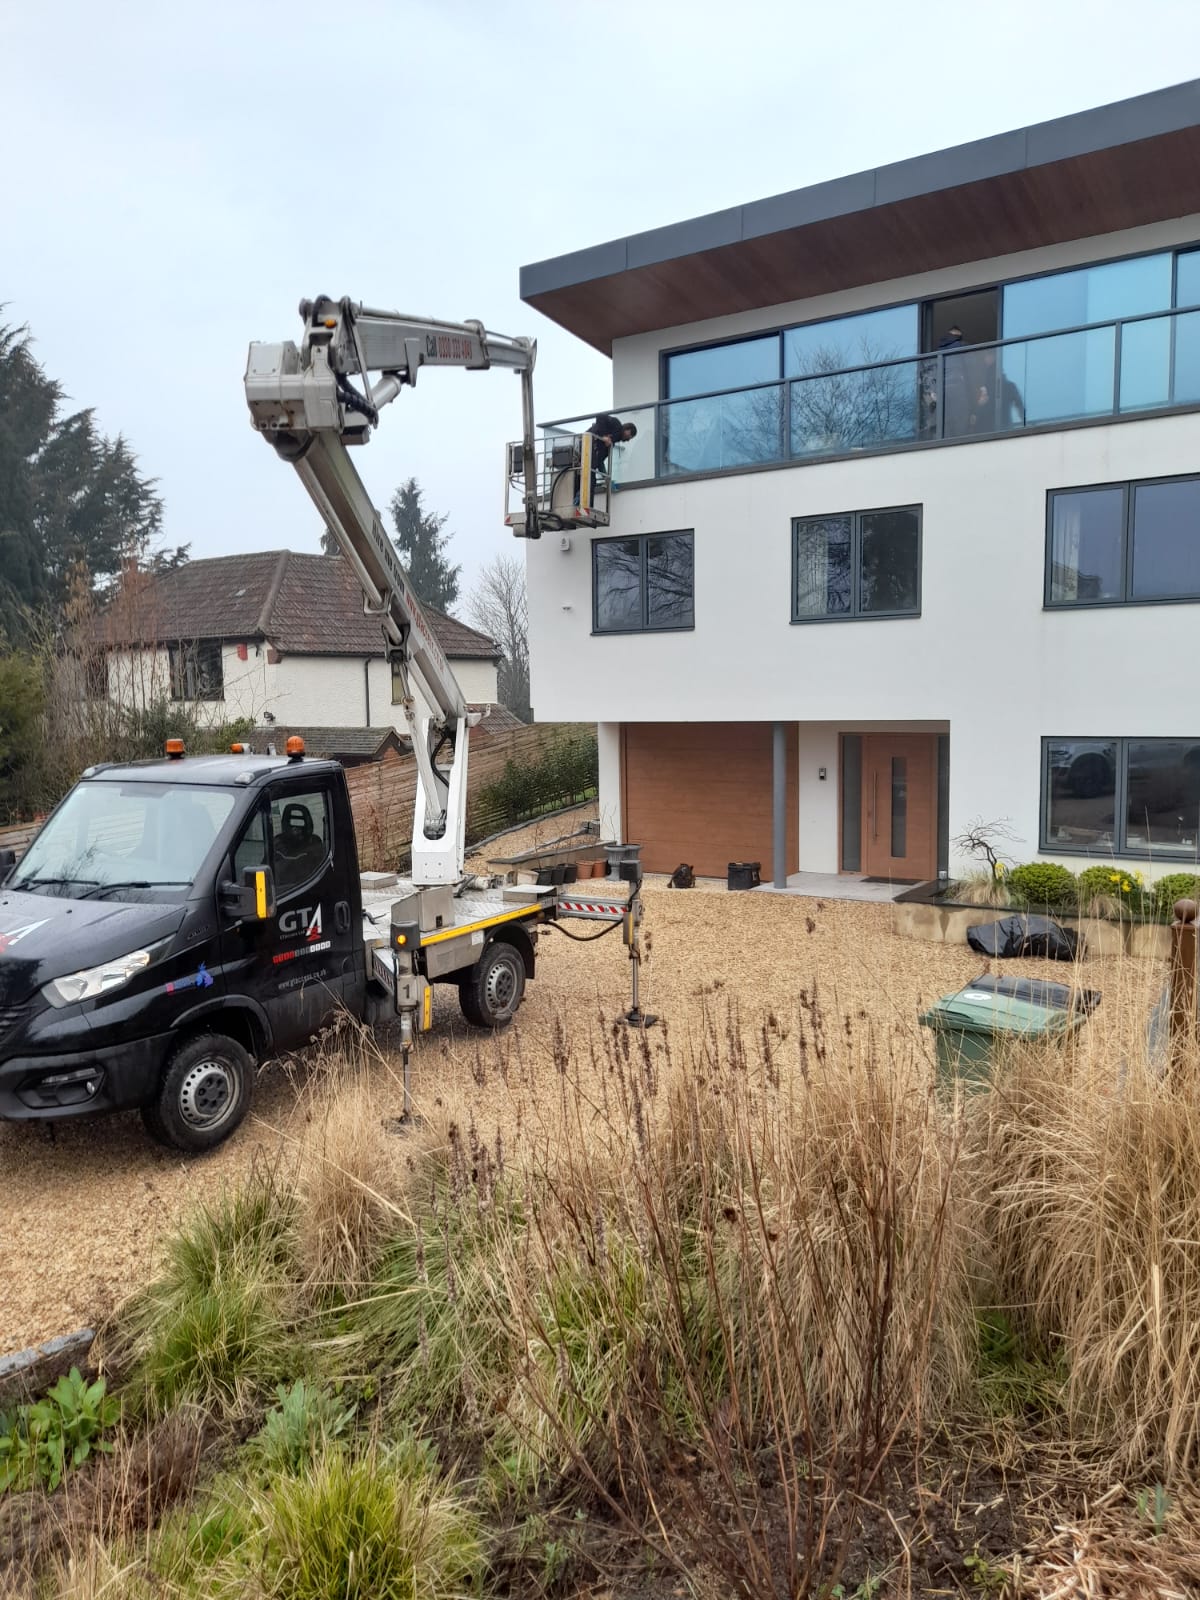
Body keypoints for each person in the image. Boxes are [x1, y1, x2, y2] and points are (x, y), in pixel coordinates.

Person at [574, 414, 638, 507]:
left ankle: (583, 505)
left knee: (589, 480)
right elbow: (600, 416)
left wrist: (606, 478)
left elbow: (599, 462)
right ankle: (578, 504)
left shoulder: (611, 443)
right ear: (627, 431)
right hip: (585, 446)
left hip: (589, 456)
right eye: (630, 436)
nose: (628, 440)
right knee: (588, 480)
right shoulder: (616, 425)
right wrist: (603, 436)